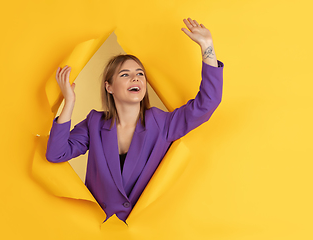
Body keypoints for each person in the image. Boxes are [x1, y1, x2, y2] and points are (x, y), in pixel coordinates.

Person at [46, 18, 224, 223]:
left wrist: (207, 47)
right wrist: (69, 102)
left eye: (140, 74)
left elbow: (207, 103)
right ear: (109, 87)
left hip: (149, 228)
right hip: (100, 230)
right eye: (125, 74)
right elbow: (56, 153)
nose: (136, 78)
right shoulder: (94, 123)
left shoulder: (161, 122)